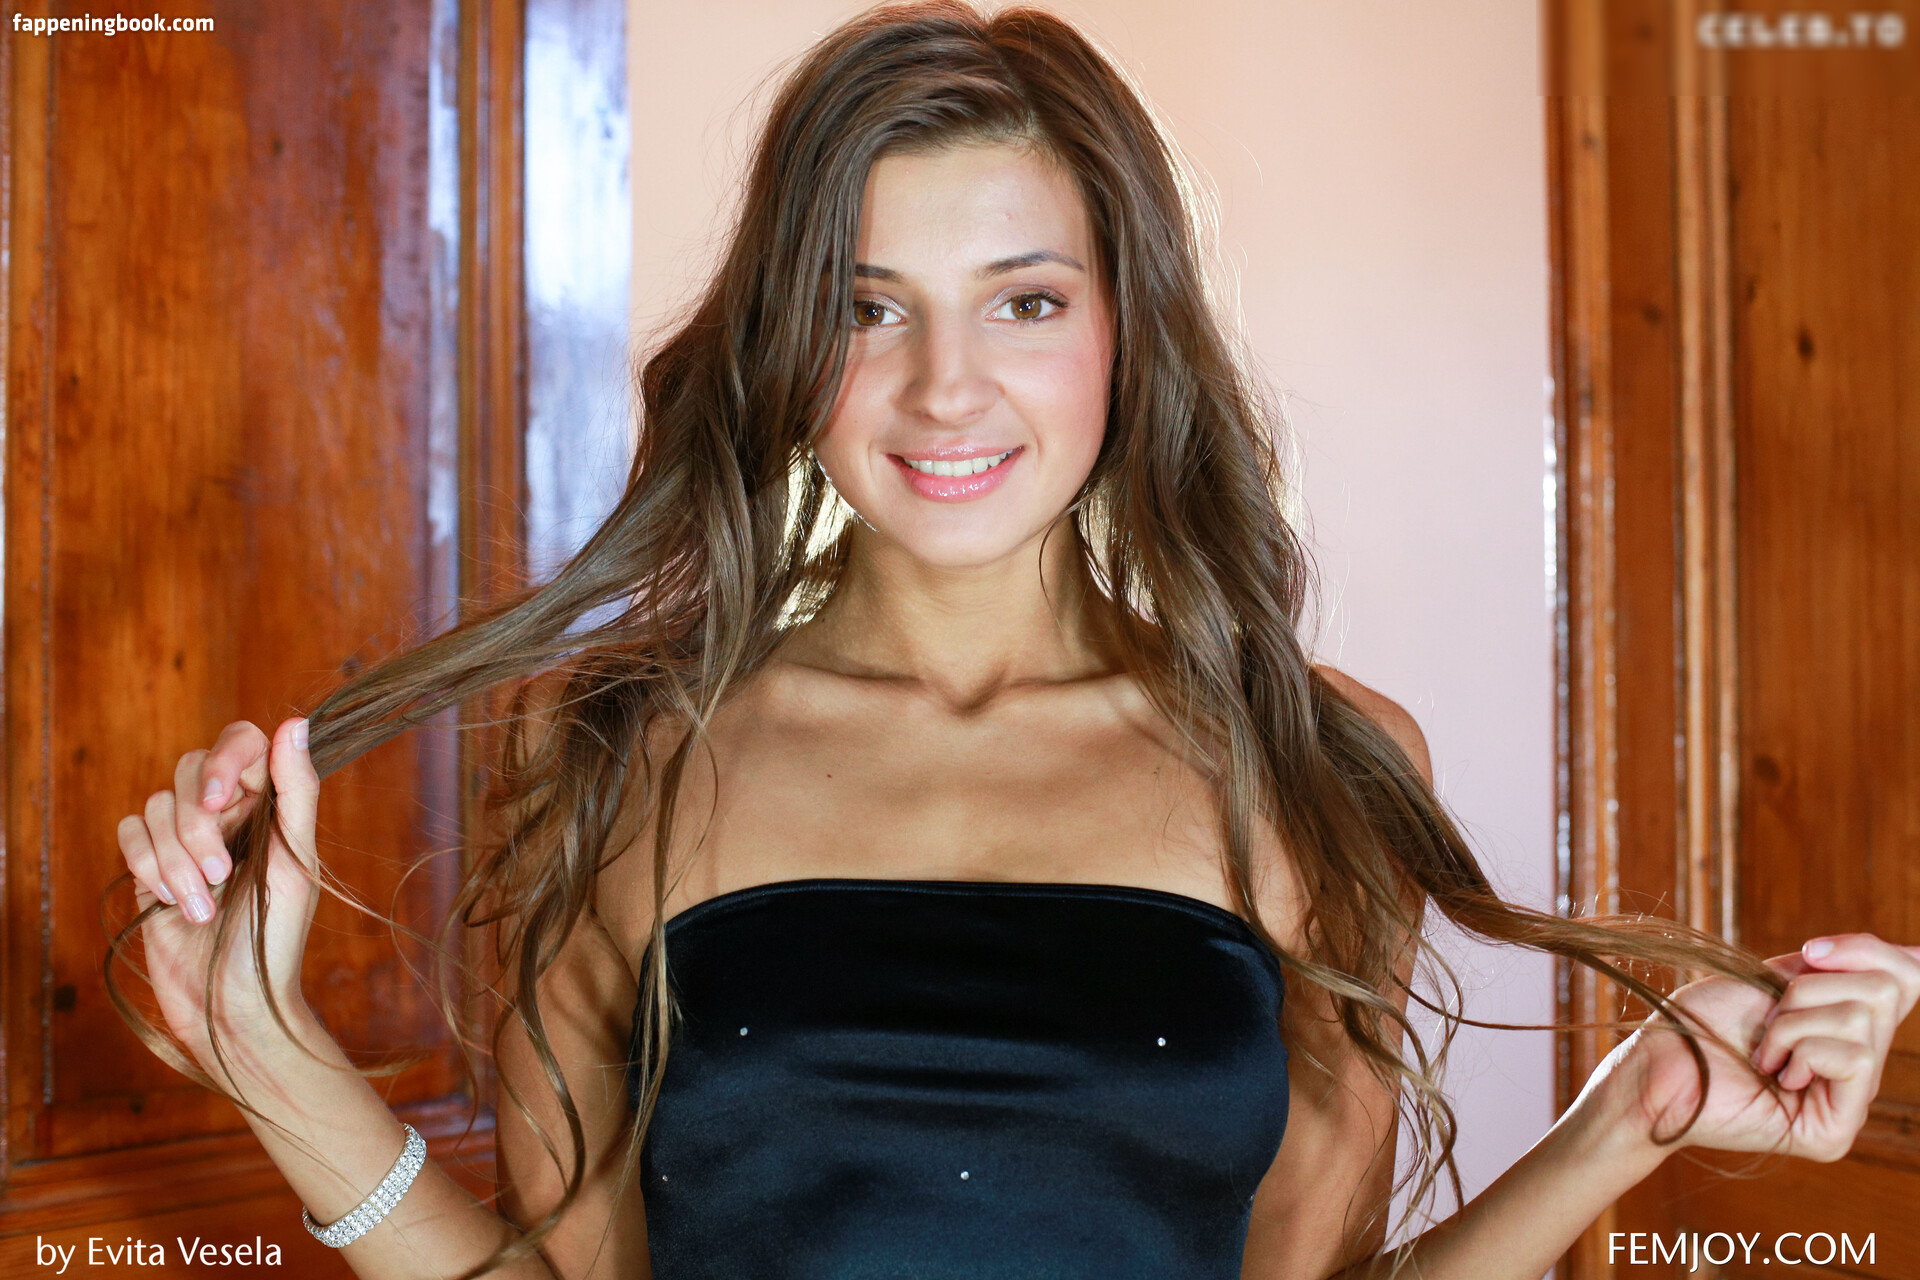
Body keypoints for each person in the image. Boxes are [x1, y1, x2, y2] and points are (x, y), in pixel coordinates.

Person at [110, 4, 1920, 1279]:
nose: (945, 388)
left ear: (1128, 332)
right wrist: (263, 1048)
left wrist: (1625, 1127)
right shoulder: (619, 745)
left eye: (1026, 301)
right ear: (786, 349)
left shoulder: (1315, 760)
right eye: (867, 307)